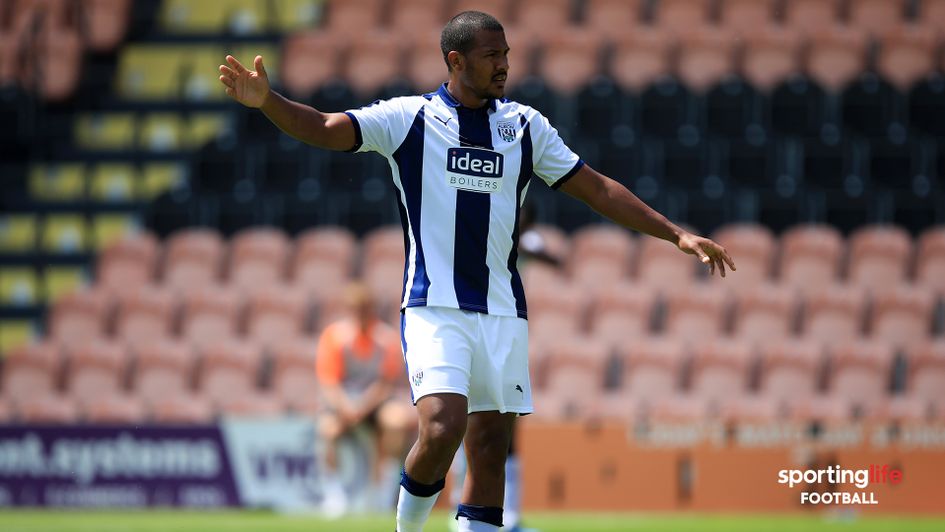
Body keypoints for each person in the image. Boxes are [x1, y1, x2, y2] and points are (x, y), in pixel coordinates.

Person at [219, 10, 735, 532]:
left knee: (489, 448)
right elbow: (326, 127)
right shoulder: (409, 118)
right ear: (456, 60)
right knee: (442, 428)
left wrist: (675, 233)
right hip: (434, 307)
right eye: (492, 55)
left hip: (502, 312)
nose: (504, 65)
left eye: (506, 54)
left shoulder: (525, 127)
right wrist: (268, 101)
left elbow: (597, 188)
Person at [315, 283, 415, 516]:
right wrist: (347, 408)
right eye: (354, 308)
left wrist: (362, 407)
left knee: (397, 421)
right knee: (327, 429)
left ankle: (384, 491)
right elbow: (329, 383)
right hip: (344, 404)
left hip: (374, 404)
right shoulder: (334, 337)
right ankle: (334, 494)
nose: (359, 314)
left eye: (364, 308)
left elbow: (385, 384)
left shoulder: (385, 338)